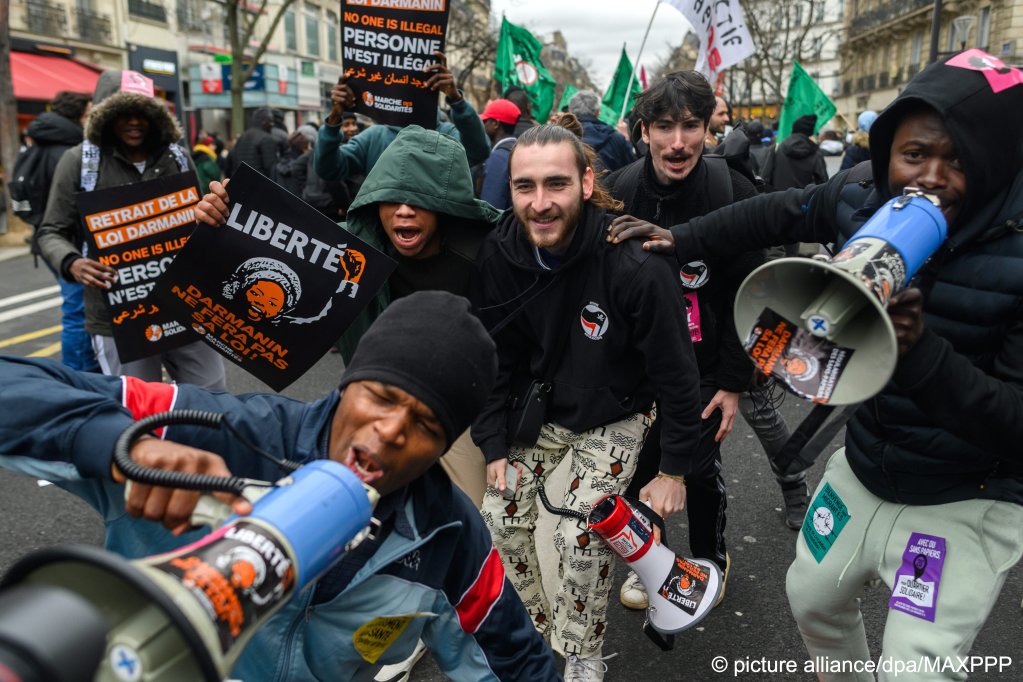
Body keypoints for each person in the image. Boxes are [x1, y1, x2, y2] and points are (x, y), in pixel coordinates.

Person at [608, 50, 1023, 676]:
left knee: (918, 665)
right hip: (866, 463)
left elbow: (1015, 425)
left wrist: (919, 356)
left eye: (957, 159)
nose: (929, 178)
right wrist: (684, 237)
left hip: (963, 497)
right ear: (887, 154)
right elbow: (778, 211)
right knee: (811, 598)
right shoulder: (861, 192)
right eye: (913, 155)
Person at [0, 291, 560, 681]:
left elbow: (516, 661)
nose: (390, 431)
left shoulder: (448, 536)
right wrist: (120, 445)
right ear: (347, 386)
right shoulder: (216, 432)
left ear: (441, 449)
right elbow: (15, 383)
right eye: (382, 397)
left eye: (426, 425)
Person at [471, 124, 702, 680]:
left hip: (619, 409)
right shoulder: (500, 251)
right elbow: (494, 358)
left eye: (557, 183)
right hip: (543, 409)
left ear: (587, 182)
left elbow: (677, 376)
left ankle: (581, 653)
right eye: (525, 187)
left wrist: (674, 470)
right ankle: (536, 632)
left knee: (580, 536)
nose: (540, 202)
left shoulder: (637, 266)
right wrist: (494, 444)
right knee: (497, 520)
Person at [196, 125, 501, 508]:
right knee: (347, 514)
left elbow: (555, 243)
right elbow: (254, 263)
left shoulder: (492, 250)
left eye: (419, 200)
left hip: (455, 413)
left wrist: (602, 229)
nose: (404, 210)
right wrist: (218, 224)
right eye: (392, 198)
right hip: (370, 404)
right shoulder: (346, 250)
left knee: (467, 516)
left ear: (446, 207)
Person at [603, 70, 763, 611]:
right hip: (635, 366)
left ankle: (710, 558)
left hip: (706, 368)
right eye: (664, 127)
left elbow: (758, 296)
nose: (678, 142)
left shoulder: (730, 189)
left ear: (706, 128)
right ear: (643, 130)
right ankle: (654, 562)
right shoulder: (618, 190)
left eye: (691, 126)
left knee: (697, 468)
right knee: (636, 467)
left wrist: (735, 384)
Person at [36, 69, 226, 390]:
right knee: (137, 410)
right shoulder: (79, 162)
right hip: (118, 317)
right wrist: (73, 262)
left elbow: (200, 220)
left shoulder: (178, 158)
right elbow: (50, 231)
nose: (134, 122)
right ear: (104, 116)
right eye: (123, 113)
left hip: (183, 304)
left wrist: (213, 212)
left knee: (214, 397)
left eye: (142, 113)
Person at [315, 51, 490, 183]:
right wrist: (334, 119)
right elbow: (328, 169)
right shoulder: (374, 137)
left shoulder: (447, 135)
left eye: (414, 82)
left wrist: (457, 100)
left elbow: (479, 150)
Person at [20, 90, 97, 372]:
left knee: (75, 309)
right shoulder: (70, 150)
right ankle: (79, 374)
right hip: (69, 244)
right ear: (77, 115)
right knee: (79, 312)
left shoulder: (38, 143)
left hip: (48, 239)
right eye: (88, 113)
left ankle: (80, 369)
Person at [567, 90, 635, 173]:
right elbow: (633, 169)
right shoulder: (616, 138)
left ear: (570, 111)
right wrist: (626, 138)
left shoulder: (558, 137)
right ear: (598, 112)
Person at [762, 114, 828, 191]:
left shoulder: (777, 148)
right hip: (804, 199)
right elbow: (823, 182)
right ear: (810, 132)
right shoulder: (815, 151)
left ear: (793, 129)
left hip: (779, 198)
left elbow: (765, 177)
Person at [479, 98, 521, 210]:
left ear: (495, 124)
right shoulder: (520, 150)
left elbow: (490, 209)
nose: (483, 124)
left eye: (485, 121)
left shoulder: (498, 158)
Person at [224, 107, 279, 179]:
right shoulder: (267, 138)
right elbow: (271, 168)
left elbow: (234, 161)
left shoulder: (242, 136)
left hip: (241, 181)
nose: (272, 124)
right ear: (264, 121)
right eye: (271, 121)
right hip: (260, 183)